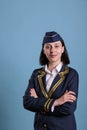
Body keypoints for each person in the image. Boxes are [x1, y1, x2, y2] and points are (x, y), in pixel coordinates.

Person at [23, 31, 79, 130]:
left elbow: (69, 108)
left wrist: (38, 103)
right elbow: (27, 102)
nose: (52, 51)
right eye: (48, 47)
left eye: (56, 46)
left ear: (62, 49)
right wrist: (57, 102)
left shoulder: (71, 74)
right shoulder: (36, 74)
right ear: (43, 50)